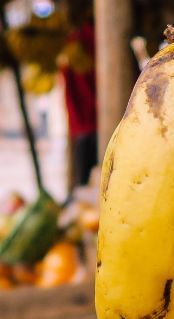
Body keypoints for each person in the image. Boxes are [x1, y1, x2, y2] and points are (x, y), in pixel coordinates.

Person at [61, 1, 97, 188]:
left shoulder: (79, 41)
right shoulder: (80, 41)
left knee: (83, 183)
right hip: (87, 120)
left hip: (85, 122)